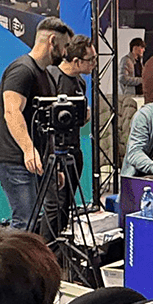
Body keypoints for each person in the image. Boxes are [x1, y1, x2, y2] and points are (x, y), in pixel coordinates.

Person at [0, 16, 73, 230]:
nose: (66, 53)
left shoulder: (46, 76)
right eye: (64, 46)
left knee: (32, 220)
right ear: (52, 41)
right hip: (15, 160)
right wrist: (28, 149)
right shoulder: (22, 70)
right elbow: (12, 111)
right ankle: (3, 255)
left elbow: (46, 126)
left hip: (34, 161)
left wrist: (53, 166)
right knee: (24, 221)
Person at [43, 34, 96, 241]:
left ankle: (60, 249)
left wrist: (83, 116)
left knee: (66, 206)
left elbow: (77, 119)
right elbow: (48, 122)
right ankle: (47, 249)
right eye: (90, 60)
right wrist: (55, 164)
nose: (94, 64)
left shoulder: (80, 82)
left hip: (73, 150)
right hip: (54, 153)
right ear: (76, 61)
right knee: (55, 206)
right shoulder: (52, 78)